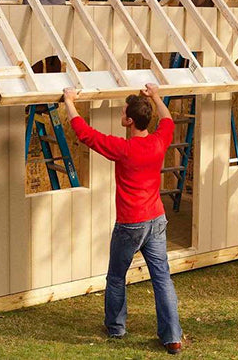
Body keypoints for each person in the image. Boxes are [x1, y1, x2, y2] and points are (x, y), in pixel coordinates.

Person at [63, 84, 183, 354]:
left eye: (123, 112)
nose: (121, 113)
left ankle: (116, 328)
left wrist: (69, 101)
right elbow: (167, 119)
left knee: (117, 277)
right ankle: (172, 337)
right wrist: (155, 96)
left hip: (130, 224)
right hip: (156, 220)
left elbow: (86, 135)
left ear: (129, 121)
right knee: (162, 278)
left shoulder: (125, 149)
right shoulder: (159, 140)